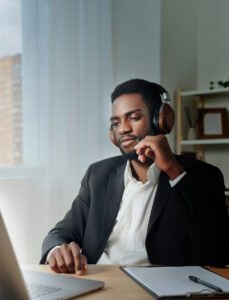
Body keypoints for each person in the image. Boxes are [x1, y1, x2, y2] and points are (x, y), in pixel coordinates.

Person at [40, 79, 229, 275]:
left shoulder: (202, 175)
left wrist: (173, 170)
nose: (123, 129)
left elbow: (218, 251)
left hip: (159, 289)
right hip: (99, 284)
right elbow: (60, 233)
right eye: (116, 122)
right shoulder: (97, 175)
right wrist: (57, 250)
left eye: (134, 118)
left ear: (161, 120)